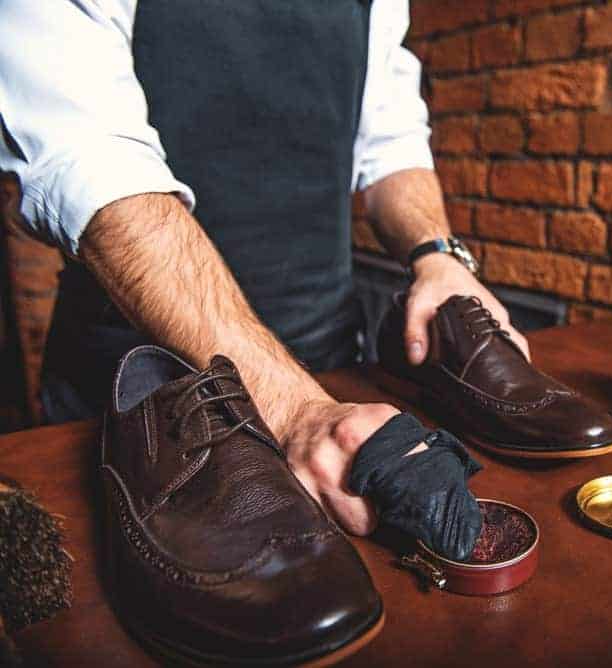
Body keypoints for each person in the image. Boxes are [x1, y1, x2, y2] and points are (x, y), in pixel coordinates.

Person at [0, 0, 528, 537]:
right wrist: (290, 406)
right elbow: (89, 159)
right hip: (137, 403)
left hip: (328, 372)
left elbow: (390, 142)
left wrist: (436, 254)